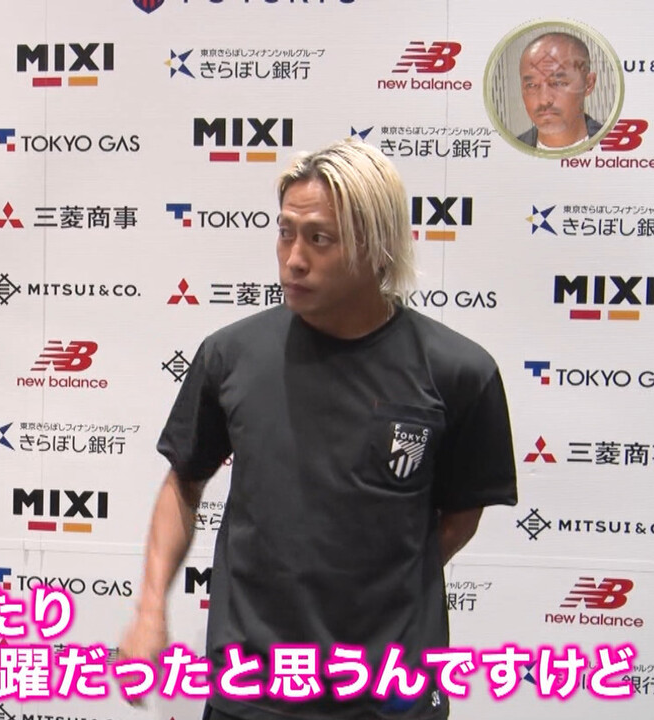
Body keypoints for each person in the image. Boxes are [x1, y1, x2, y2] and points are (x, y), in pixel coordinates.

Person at [120, 139, 517, 719]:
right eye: (286, 233)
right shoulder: (231, 356)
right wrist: (150, 609)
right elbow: (183, 481)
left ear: (377, 246)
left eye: (319, 238)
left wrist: (378, 586)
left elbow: (461, 516)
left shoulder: (459, 372)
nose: (294, 259)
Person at [516, 31, 602, 149]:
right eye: (531, 85)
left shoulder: (619, 152)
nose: (544, 100)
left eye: (558, 83)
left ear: (588, 84)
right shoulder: (506, 153)